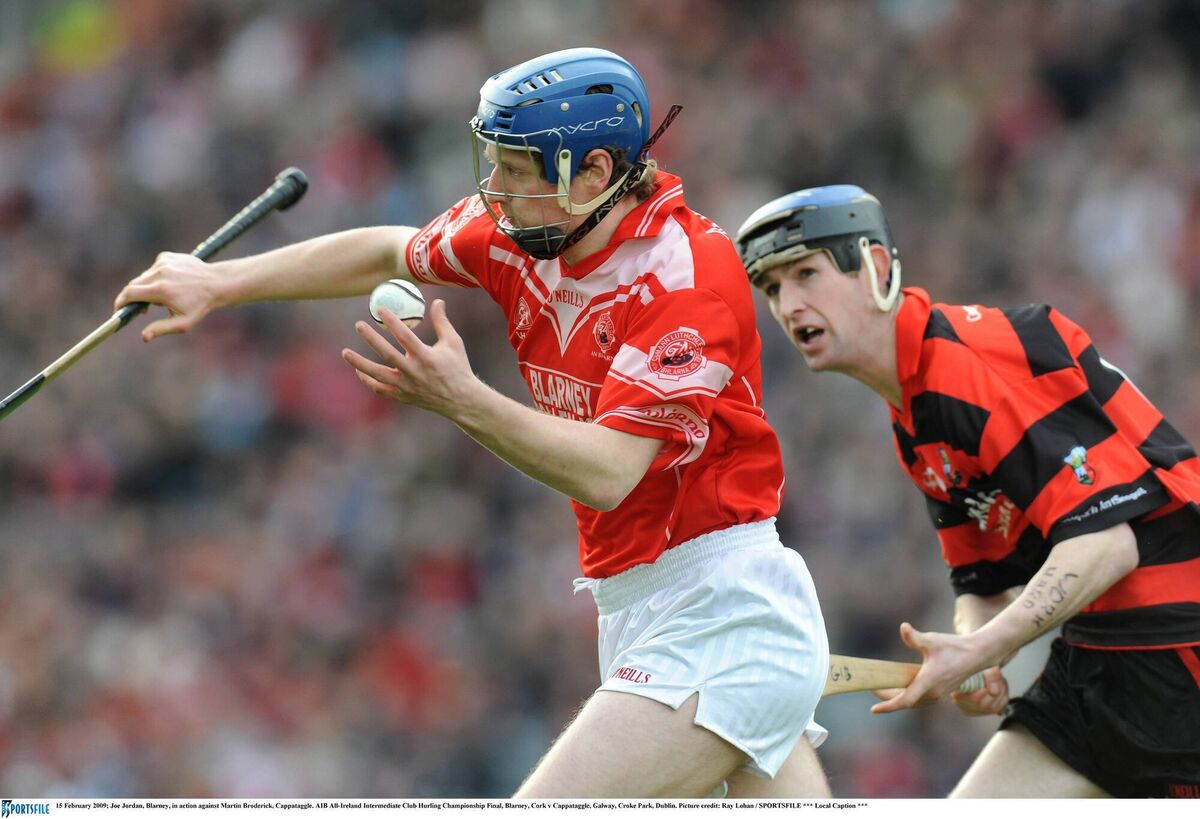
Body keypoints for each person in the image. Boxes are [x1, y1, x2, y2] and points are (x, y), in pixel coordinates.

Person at [115, 48, 831, 798]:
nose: (496, 189)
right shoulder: (530, 233)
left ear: (591, 173)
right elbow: (386, 250)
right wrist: (219, 283)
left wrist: (462, 397)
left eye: (519, 169)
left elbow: (611, 471)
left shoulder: (684, 276)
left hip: (721, 609)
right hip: (638, 605)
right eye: (495, 162)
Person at [733, 184, 1200, 798]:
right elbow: (983, 585)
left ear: (874, 267)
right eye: (772, 289)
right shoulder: (914, 415)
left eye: (806, 274)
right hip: (1098, 654)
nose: (789, 304)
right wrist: (968, 648)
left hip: (1179, 646)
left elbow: (1106, 545)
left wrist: (984, 647)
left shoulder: (965, 368)